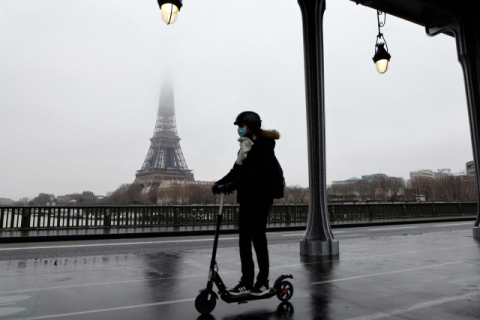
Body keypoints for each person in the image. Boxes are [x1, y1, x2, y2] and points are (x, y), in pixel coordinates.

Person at [212, 111, 280, 297]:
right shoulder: (245, 146)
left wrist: (232, 185)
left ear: (250, 126)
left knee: (258, 240)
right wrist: (219, 183)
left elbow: (258, 171)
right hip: (247, 198)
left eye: (241, 126)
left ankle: (263, 282)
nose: (239, 130)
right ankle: (246, 282)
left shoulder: (265, 144)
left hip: (261, 198)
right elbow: (236, 170)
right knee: (244, 242)